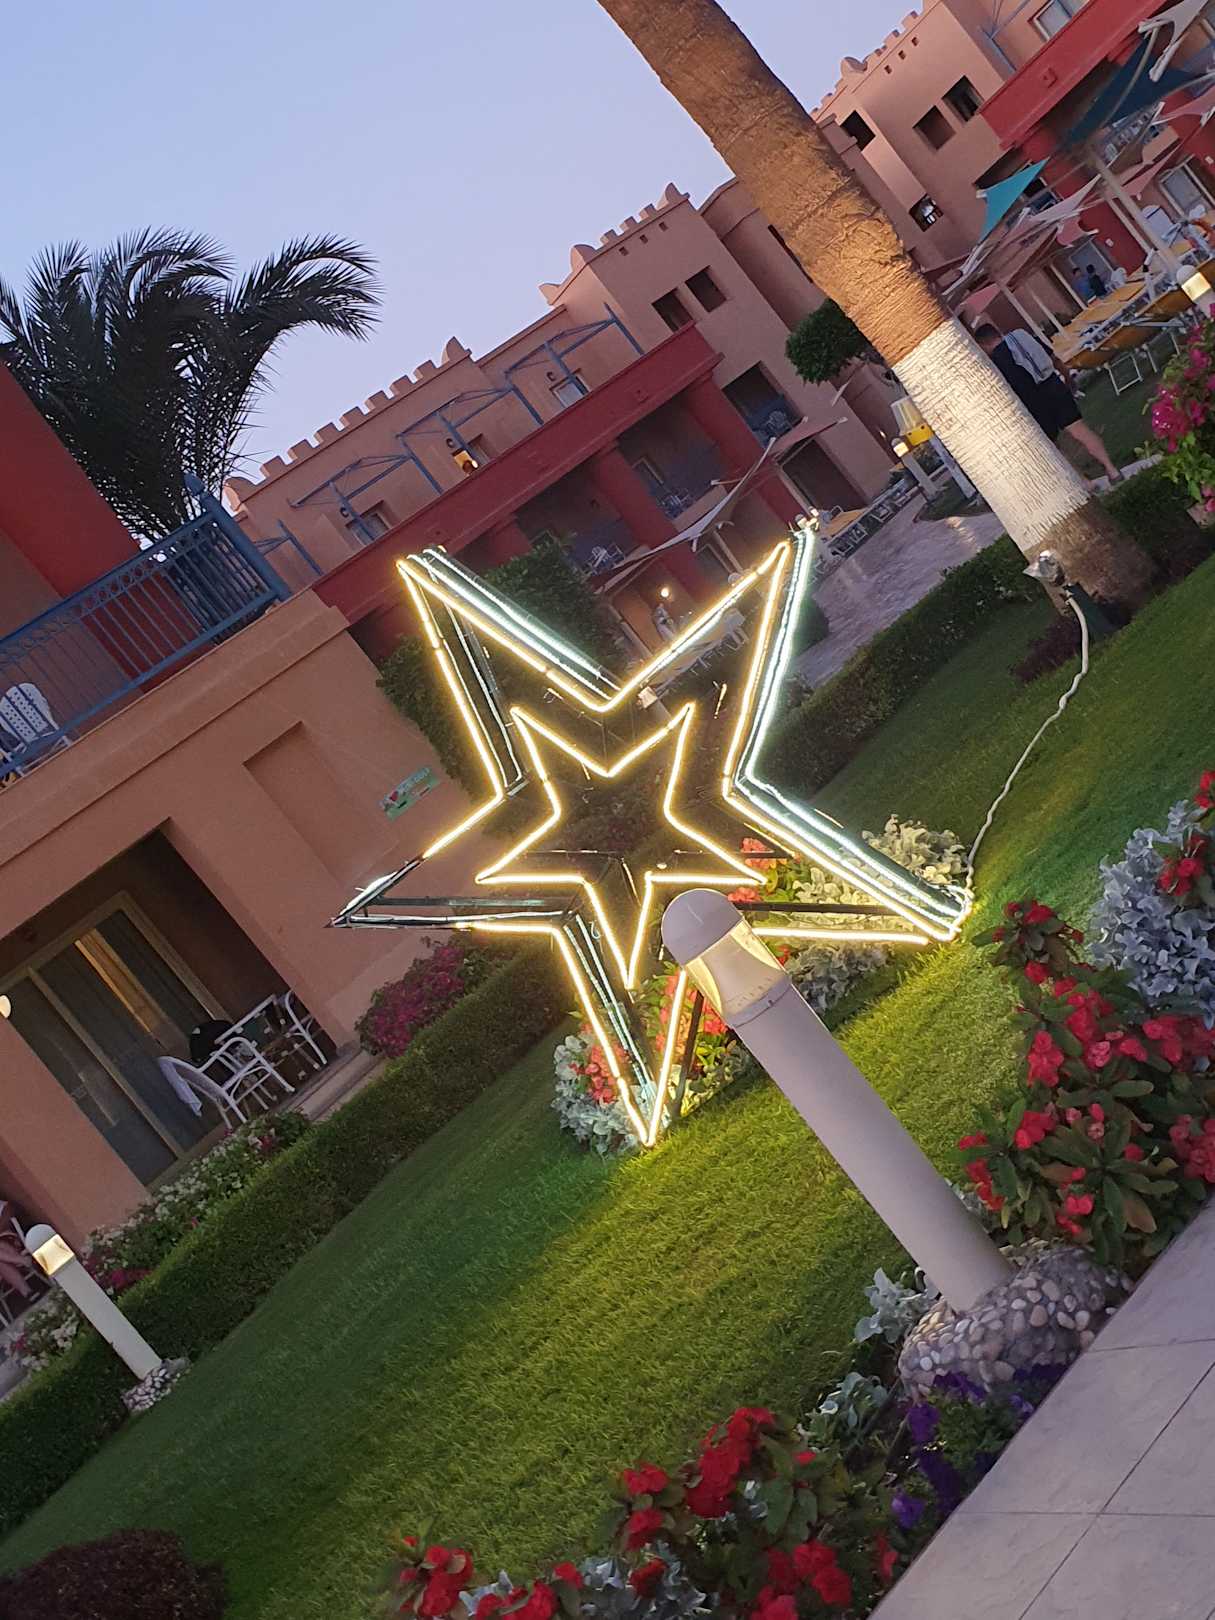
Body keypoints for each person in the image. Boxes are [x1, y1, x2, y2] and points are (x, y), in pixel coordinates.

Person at [974, 321, 1123, 484]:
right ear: (997, 332)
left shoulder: (995, 361)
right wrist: (1067, 378)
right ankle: (1112, 470)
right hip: (1053, 384)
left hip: (1033, 402)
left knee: (1054, 447)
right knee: (1080, 430)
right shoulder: (1021, 336)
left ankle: (1085, 483)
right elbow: (1054, 359)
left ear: (983, 345)